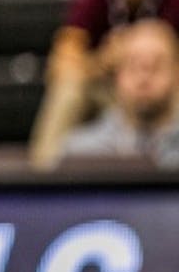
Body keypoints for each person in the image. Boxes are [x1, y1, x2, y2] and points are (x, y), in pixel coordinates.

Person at [29, 0, 179, 168]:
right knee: (68, 88)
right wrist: (104, 61)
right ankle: (45, 176)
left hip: (162, 93)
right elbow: (60, 65)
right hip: (110, 90)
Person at [60, 18, 179, 168]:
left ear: (176, 74)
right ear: (117, 76)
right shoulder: (81, 153)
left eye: (156, 66)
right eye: (133, 65)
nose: (143, 78)